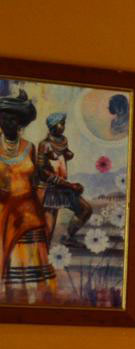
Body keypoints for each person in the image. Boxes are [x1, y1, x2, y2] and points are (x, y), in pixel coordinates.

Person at [0, 90, 57, 301]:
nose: (8, 122)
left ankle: (31, 299)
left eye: (12, 119)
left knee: (32, 266)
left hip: (28, 213)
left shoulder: (30, 148)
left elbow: (38, 179)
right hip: (3, 213)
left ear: (20, 122)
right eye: (4, 118)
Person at [37, 112, 92, 245]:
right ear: (53, 126)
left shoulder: (63, 140)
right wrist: (69, 185)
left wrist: (67, 154)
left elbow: (64, 153)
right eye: (61, 124)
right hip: (50, 189)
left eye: (64, 123)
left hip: (64, 186)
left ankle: (68, 237)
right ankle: (42, 253)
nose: (63, 126)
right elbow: (42, 171)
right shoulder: (45, 144)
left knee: (85, 210)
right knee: (48, 229)